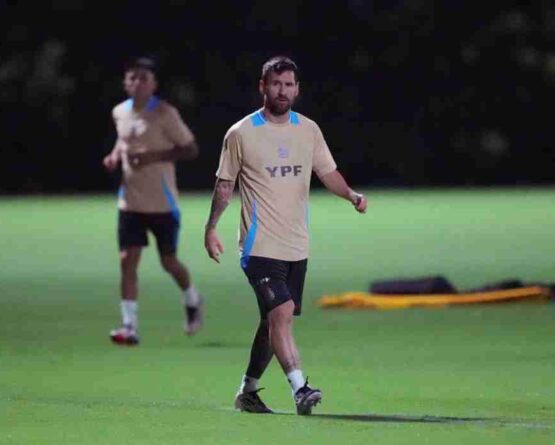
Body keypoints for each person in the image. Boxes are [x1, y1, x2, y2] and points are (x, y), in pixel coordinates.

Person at [204, 56, 368, 415]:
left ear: (297, 89)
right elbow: (224, 184)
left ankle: (246, 391)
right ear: (263, 86)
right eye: (276, 84)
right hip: (258, 246)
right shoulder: (241, 133)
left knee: (273, 320)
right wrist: (211, 227)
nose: (282, 91)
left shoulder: (308, 130)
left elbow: (328, 172)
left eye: (289, 85)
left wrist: (351, 195)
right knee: (282, 310)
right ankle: (300, 388)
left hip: (296, 245)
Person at [102, 57, 204, 345]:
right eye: (132, 77)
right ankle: (129, 326)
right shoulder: (119, 112)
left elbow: (190, 149)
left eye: (144, 78)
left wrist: (152, 157)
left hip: (162, 203)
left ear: (154, 84)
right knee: (127, 261)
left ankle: (193, 299)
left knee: (168, 262)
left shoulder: (164, 113)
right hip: (130, 202)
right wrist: (114, 156)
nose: (137, 83)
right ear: (125, 82)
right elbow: (124, 140)